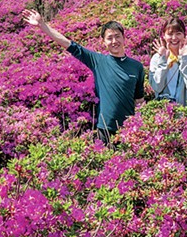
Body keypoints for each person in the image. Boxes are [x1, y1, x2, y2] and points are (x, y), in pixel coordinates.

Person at [21, 8, 145, 145]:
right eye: (109, 38)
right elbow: (69, 44)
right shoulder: (98, 61)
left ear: (124, 38)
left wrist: (141, 126)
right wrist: (42, 25)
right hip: (105, 129)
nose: (114, 41)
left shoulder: (137, 67)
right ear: (103, 42)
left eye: (117, 36)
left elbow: (139, 100)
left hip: (129, 130)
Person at [148, 17, 187, 106]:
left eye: (178, 33)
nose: (174, 38)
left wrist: (184, 58)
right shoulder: (156, 58)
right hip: (164, 111)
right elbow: (157, 87)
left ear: (184, 35)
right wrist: (163, 60)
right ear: (164, 36)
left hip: (185, 111)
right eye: (170, 34)